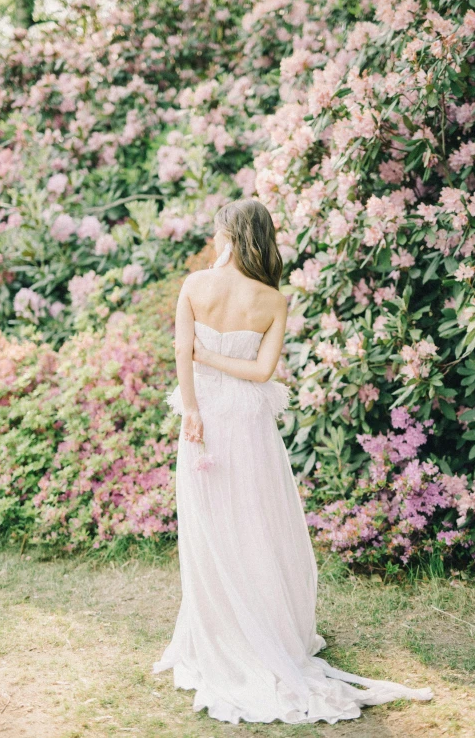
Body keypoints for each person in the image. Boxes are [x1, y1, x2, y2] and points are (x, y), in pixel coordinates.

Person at [152, 198, 433, 725]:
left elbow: (182, 355)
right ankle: (264, 628)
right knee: (254, 523)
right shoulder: (273, 300)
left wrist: (191, 408)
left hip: (204, 419)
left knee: (210, 527)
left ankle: (223, 635)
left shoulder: (194, 286)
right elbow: (262, 373)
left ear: (229, 236)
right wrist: (212, 372)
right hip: (247, 424)